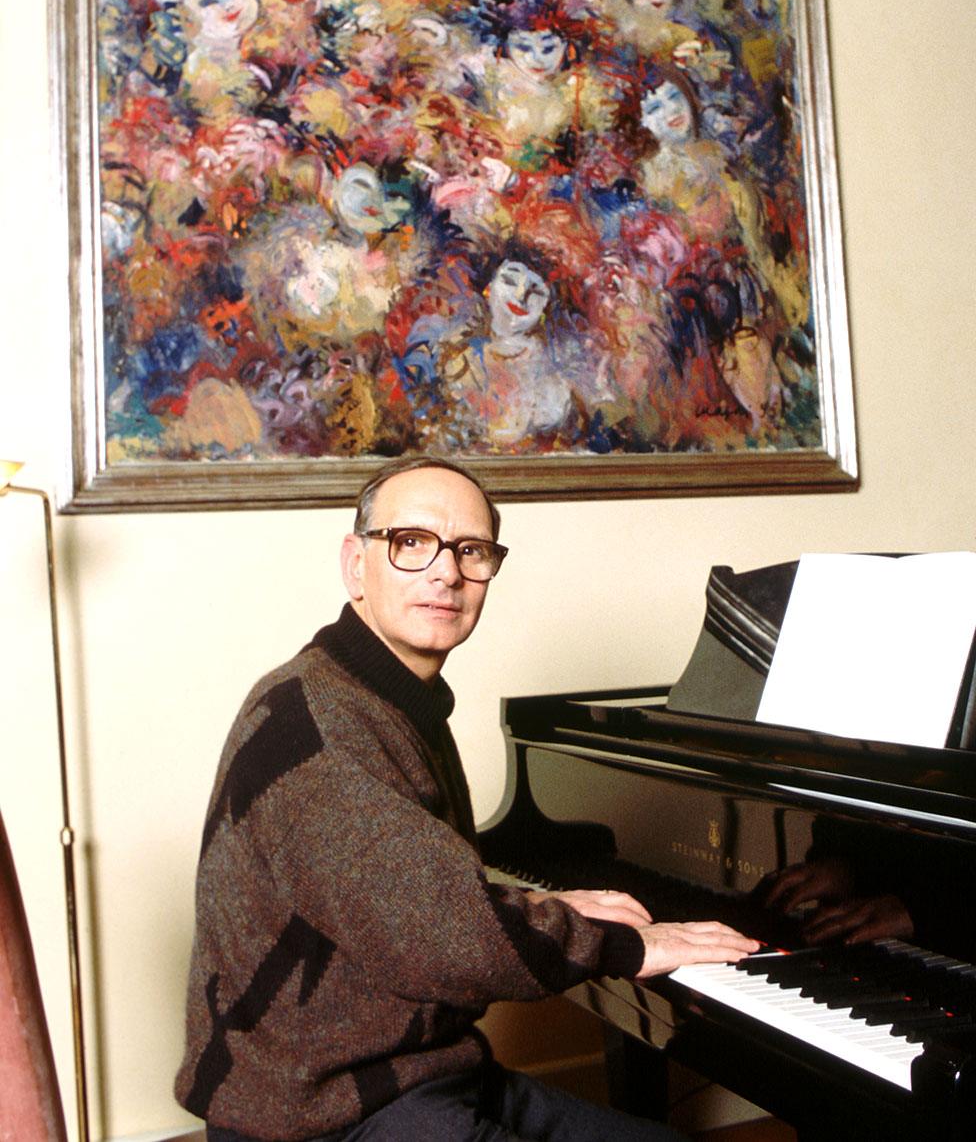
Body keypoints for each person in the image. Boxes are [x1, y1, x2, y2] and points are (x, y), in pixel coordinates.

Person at [175, 457, 759, 1141]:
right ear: (355, 564)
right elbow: (444, 936)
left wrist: (546, 910)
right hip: (324, 1117)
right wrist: (624, 944)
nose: (447, 571)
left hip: (417, 1077)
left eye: (471, 551)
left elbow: (407, 894)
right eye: (411, 542)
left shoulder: (387, 698)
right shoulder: (321, 724)